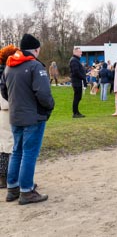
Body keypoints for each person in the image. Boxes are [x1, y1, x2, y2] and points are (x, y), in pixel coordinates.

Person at [0, 34, 54, 205]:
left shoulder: (8, 66)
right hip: (33, 117)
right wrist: (49, 107)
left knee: (17, 151)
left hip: (15, 116)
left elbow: (4, 91)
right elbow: (44, 94)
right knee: (29, 153)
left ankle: (13, 187)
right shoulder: (35, 66)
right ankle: (26, 190)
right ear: (36, 49)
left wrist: (17, 103)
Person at [0, 45, 17, 189]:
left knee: (4, 145)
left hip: (4, 112)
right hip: (5, 112)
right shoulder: (4, 73)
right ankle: (9, 178)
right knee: (9, 146)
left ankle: (4, 177)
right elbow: (4, 100)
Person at [69, 47, 87, 118]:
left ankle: (77, 112)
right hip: (76, 82)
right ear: (75, 52)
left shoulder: (76, 60)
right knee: (77, 97)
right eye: (80, 52)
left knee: (78, 97)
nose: (81, 53)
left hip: (78, 81)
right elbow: (76, 72)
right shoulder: (74, 60)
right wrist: (83, 77)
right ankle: (75, 113)